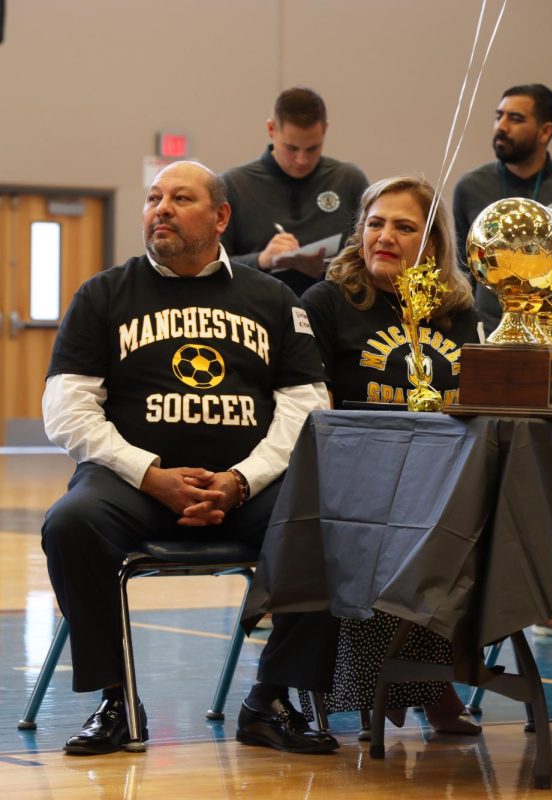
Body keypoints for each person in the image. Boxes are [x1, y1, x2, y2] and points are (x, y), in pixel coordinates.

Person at [40, 161, 337, 756]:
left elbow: (307, 406)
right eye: (153, 198)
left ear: (221, 217)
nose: (161, 209)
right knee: (70, 523)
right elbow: (67, 409)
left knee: (329, 524)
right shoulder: (104, 294)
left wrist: (241, 481)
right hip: (132, 485)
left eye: (180, 197)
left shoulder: (272, 299)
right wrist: (149, 475)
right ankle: (116, 700)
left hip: (245, 486)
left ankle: (270, 700)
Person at [297, 176, 483, 736]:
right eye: (375, 223)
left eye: (405, 227)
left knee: (468, 526)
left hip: (446, 481)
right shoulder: (328, 303)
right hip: (352, 481)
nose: (386, 236)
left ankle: (419, 681)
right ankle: (423, 687)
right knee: (388, 532)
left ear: (432, 246)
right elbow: (313, 408)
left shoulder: (461, 311)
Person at [453, 84, 552, 331]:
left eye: (515, 119)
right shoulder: (470, 187)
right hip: (487, 332)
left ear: (545, 131)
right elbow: (463, 271)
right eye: (499, 116)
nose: (501, 126)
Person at [221, 87, 369, 298]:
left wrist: (331, 266)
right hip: (258, 309)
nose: (302, 160)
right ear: (271, 129)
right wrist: (262, 260)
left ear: (325, 130)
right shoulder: (234, 184)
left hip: (335, 312)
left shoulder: (349, 180)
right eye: (291, 148)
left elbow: (370, 257)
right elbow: (212, 263)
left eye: (312, 148)